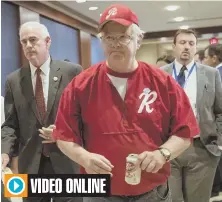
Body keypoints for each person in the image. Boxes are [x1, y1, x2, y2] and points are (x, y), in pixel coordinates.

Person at [46, 4, 199, 202]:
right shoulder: (81, 85)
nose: (115, 43)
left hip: (153, 192)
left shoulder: (163, 82)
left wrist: (163, 154)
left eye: (123, 37)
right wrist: (83, 158)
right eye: (109, 38)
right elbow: (64, 136)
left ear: (138, 40)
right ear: (102, 41)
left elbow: (185, 132)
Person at [1, 21, 83, 202]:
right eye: (24, 42)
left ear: (48, 41)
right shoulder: (13, 80)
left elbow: (85, 117)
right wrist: (5, 152)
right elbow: (10, 124)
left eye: (33, 40)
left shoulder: (72, 72)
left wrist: (62, 133)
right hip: (31, 165)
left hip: (67, 160)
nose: (28, 46)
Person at [161, 29, 222, 202]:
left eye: (191, 43)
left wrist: (219, 142)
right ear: (174, 46)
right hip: (168, 148)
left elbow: (220, 111)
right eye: (182, 43)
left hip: (202, 148)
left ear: (196, 48)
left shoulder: (211, 74)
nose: (187, 47)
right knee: (172, 199)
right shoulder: (160, 73)